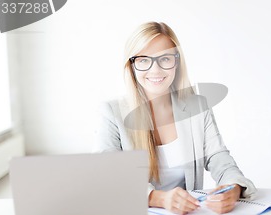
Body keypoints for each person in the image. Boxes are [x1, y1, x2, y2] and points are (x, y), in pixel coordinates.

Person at [95, 21, 256, 214]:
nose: (155, 70)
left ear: (177, 62)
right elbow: (108, 177)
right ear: (131, 65)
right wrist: (158, 199)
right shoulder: (112, 112)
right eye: (144, 60)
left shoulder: (198, 106)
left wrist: (233, 188)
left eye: (165, 59)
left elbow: (219, 158)